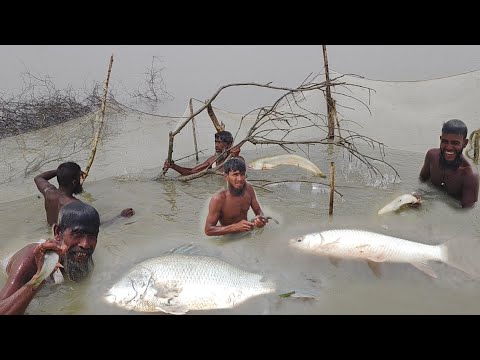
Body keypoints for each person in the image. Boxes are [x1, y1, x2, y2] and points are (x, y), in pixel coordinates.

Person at [0, 201, 100, 315]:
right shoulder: (29, 259)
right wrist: (39, 276)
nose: (85, 244)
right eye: (77, 234)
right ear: (57, 233)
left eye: (92, 236)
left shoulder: (84, 256)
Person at [34, 161, 134, 227]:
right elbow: (97, 227)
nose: (81, 180)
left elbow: (38, 178)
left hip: (51, 233)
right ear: (74, 182)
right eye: (79, 178)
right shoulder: (76, 205)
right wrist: (120, 217)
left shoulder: (49, 192)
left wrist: (60, 172)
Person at [419, 119, 479, 208]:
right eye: (444, 141)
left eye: (455, 143)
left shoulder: (470, 175)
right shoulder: (431, 156)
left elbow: (467, 212)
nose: (449, 147)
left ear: (465, 143)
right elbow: (421, 181)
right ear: (440, 139)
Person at [204, 157, 268, 236]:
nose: (240, 179)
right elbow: (208, 230)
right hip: (229, 239)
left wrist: (260, 220)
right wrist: (234, 227)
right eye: (235, 174)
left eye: (242, 174)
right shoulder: (219, 199)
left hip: (247, 234)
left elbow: (259, 212)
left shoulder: (249, 189)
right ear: (226, 176)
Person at [163, 130, 242, 176]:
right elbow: (192, 172)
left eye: (219, 143)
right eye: (215, 142)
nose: (216, 146)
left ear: (228, 145)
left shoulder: (237, 159)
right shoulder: (213, 161)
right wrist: (173, 166)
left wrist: (236, 157)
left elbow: (240, 172)